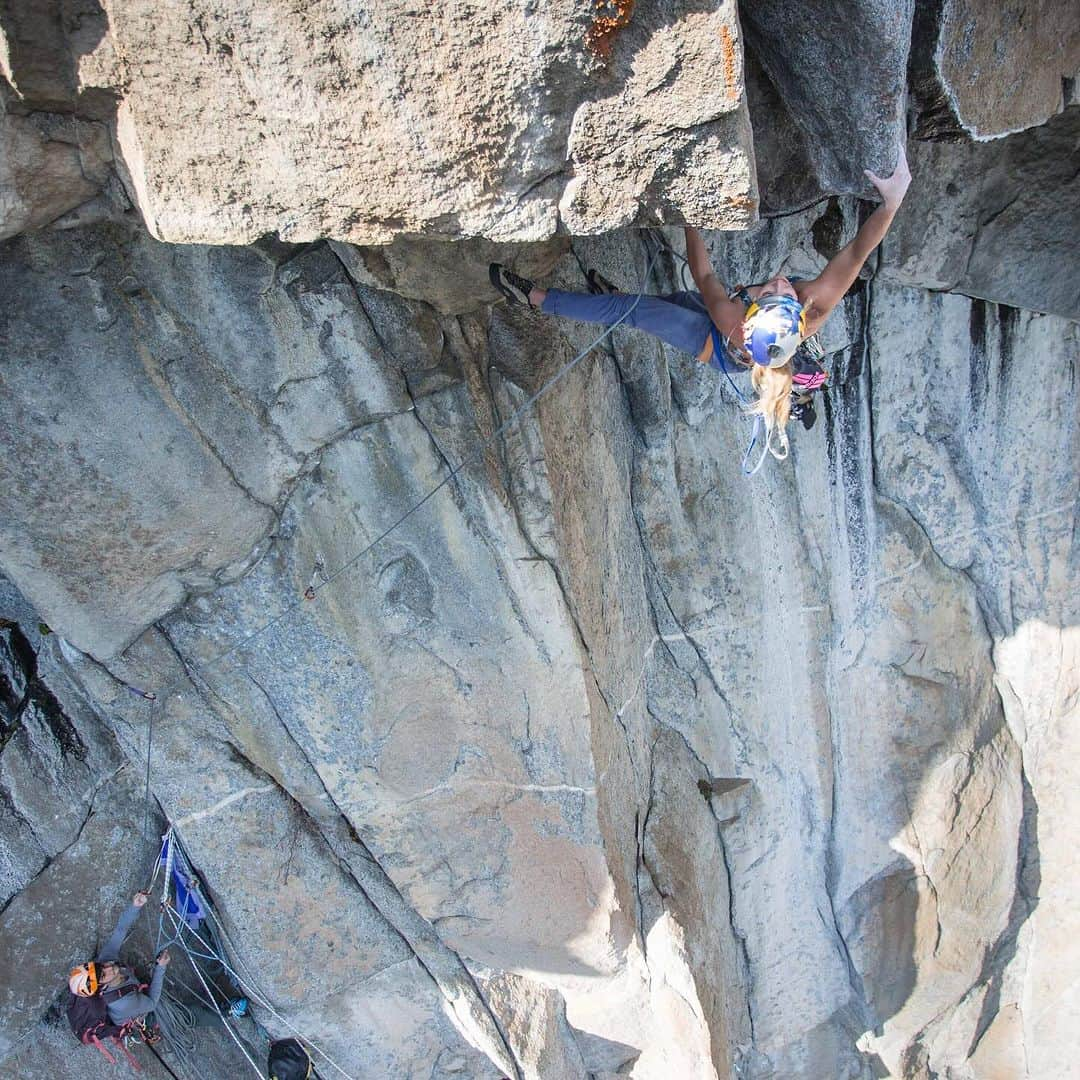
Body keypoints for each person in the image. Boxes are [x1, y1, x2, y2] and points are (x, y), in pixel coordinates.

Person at [490, 143, 912, 462]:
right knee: (668, 302)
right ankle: (614, 298)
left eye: (772, 292)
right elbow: (856, 254)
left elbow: (706, 276)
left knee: (635, 313)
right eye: (782, 293)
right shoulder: (809, 307)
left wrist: (689, 217)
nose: (782, 283)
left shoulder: (733, 321)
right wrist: (892, 202)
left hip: (716, 345)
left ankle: (537, 299)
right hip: (744, 336)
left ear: (751, 315)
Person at [68, 889, 171, 1028]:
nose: (108, 967)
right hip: (136, 1011)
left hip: (133, 992)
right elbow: (152, 1003)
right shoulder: (123, 1003)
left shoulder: (105, 961)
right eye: (103, 975)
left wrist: (135, 906)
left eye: (101, 967)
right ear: (101, 986)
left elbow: (120, 932)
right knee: (192, 1015)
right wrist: (161, 968)